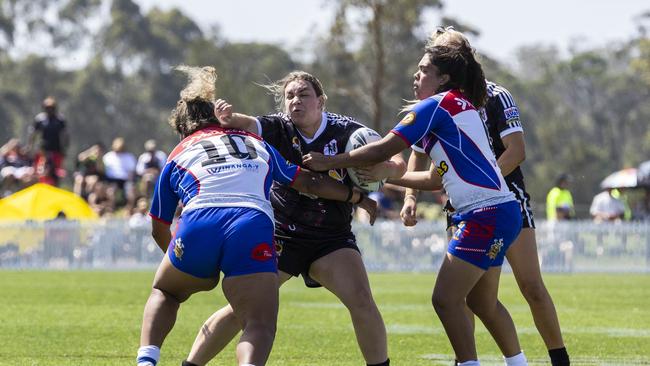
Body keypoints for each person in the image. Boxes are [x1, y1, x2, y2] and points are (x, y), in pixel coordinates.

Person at [137, 66, 378, 366]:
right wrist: (357, 197)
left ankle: (147, 360)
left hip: (209, 223)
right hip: (259, 227)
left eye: (303, 94)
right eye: (290, 95)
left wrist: (179, 258)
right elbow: (308, 180)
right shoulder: (257, 141)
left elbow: (158, 225)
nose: (296, 101)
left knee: (167, 291)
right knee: (258, 322)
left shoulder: (179, 151)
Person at [304, 45, 528, 366]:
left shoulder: (435, 106)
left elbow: (384, 147)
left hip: (484, 215)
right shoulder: (458, 105)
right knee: (479, 300)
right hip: (497, 212)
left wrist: (331, 161)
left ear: (443, 78)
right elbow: (437, 179)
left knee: (445, 300)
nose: (416, 74)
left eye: (424, 70)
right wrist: (390, 179)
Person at [395, 28, 570, 366]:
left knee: (531, 285)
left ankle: (559, 359)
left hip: (505, 199)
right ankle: (472, 360)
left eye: (444, 49)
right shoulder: (432, 102)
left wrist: (479, 183)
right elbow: (417, 154)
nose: (435, 54)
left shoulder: (494, 95)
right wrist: (409, 198)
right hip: (460, 203)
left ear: (460, 57)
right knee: (474, 298)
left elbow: (516, 151)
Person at [27, 96, 69, 186]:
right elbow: (33, 134)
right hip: (43, 151)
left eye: (51, 108)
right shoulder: (40, 119)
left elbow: (65, 135)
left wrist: (64, 150)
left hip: (56, 151)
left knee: (55, 173)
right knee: (40, 172)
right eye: (47, 108)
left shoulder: (60, 120)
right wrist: (30, 147)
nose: (49, 110)